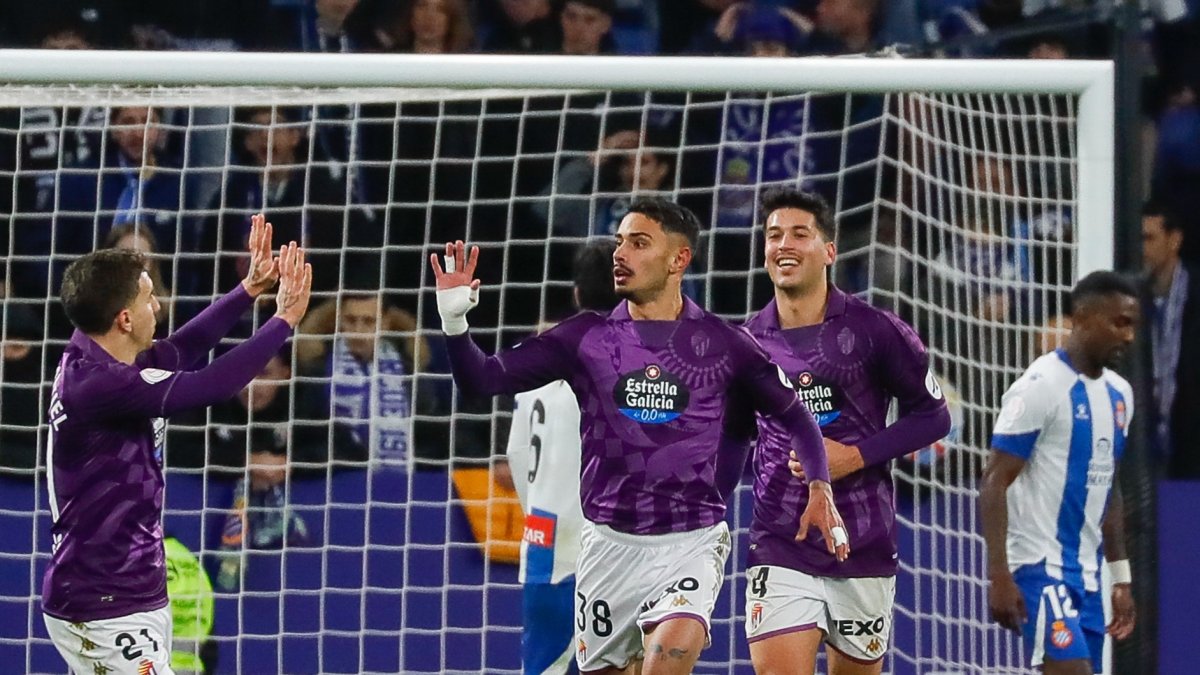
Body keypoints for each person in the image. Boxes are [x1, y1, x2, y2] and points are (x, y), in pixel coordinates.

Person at [431, 197, 849, 674]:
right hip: (607, 547)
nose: (620, 253)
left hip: (690, 542)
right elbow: (482, 380)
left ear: (679, 259)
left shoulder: (724, 344)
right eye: (620, 241)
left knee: (666, 658)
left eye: (638, 242)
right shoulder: (585, 338)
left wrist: (819, 485)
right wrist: (454, 322)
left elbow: (796, 414)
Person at [41, 215, 312, 675]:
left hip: (130, 592)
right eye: (150, 298)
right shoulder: (99, 385)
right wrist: (283, 320)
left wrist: (248, 290)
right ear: (124, 318)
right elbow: (208, 385)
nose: (160, 307)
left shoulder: (105, 349)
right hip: (102, 603)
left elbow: (182, 349)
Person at [740, 188, 951, 674]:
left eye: (799, 233)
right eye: (773, 235)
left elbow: (934, 416)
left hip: (861, 539)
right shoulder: (747, 342)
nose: (783, 245)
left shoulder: (876, 330)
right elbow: (733, 432)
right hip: (780, 539)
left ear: (829, 250)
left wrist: (853, 456)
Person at [980, 271, 1139, 675]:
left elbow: (1109, 487)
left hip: (1088, 575)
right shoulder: (1041, 385)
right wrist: (999, 573)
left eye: (1132, 324)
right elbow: (995, 480)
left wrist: (1120, 578)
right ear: (1083, 318)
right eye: (1119, 323)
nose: (1128, 336)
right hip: (1037, 566)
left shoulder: (1121, 394)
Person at [503, 241, 622, 675]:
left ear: (576, 293)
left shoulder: (535, 362)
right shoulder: (614, 364)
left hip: (541, 533)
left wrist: (537, 506)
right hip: (597, 539)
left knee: (544, 663)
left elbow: (516, 453)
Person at [1140, 202, 1200, 477]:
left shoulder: (1195, 292)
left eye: (1149, 239)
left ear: (1174, 240)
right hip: (1143, 446)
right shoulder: (1130, 298)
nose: (1141, 250)